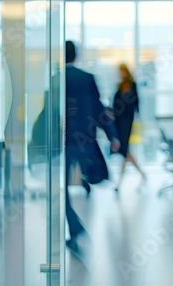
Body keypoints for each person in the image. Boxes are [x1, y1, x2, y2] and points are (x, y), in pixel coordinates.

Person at [53, 41, 120, 250]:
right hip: (85, 139)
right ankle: (86, 184)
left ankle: (75, 226)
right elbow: (98, 108)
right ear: (77, 55)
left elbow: (51, 112)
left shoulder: (56, 80)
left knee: (61, 188)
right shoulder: (87, 78)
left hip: (62, 142)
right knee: (91, 171)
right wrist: (112, 135)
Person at [112, 63, 146, 192]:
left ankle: (119, 183)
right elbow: (115, 105)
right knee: (126, 152)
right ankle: (141, 175)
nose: (121, 74)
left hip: (128, 121)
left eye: (122, 71)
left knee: (125, 150)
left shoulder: (132, 86)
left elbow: (137, 103)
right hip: (119, 122)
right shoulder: (119, 87)